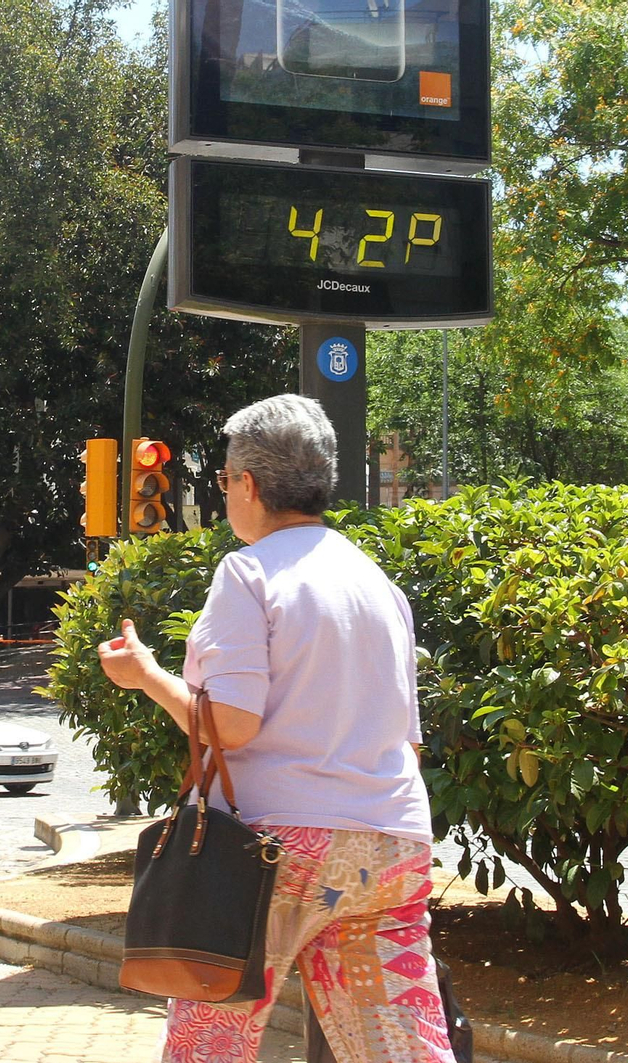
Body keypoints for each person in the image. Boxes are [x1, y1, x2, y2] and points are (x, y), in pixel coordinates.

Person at [97, 394, 454, 1063]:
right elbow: (405, 737)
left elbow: (229, 724)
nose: (227, 491)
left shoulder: (249, 573)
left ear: (250, 485)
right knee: (400, 1048)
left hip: (276, 854)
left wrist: (146, 675)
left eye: (226, 480)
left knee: (211, 1043)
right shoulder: (379, 586)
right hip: (392, 846)